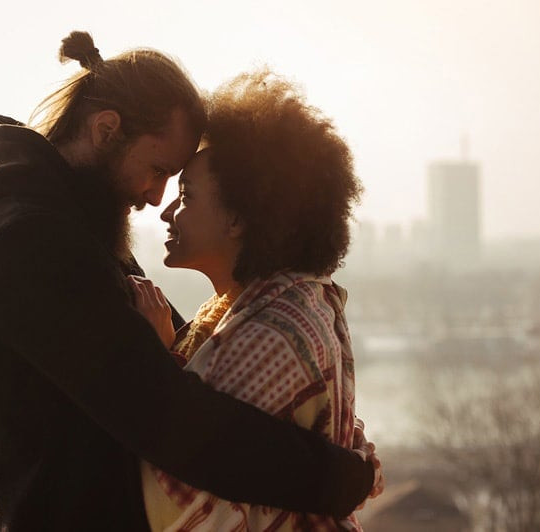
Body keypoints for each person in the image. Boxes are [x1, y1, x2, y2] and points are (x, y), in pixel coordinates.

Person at [0, 31, 378, 531]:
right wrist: (339, 479)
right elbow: (172, 421)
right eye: (157, 170)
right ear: (106, 130)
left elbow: (186, 365)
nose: (156, 199)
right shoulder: (30, 242)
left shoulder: (71, 230)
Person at [129, 70, 383, 531]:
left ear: (238, 220)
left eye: (185, 195)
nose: (165, 209)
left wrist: (156, 360)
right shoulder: (269, 306)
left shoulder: (272, 331)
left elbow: (172, 493)